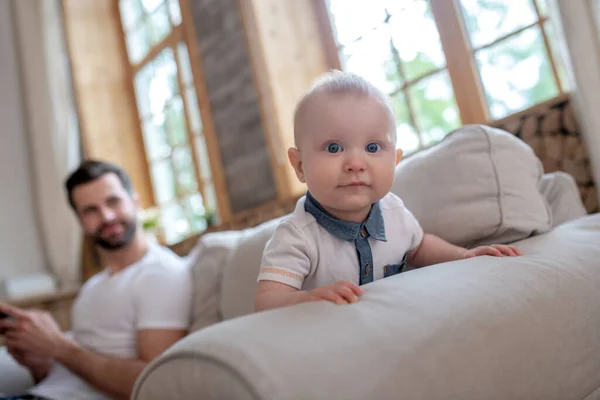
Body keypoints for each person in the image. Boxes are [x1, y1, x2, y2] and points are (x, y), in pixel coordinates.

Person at [254, 71, 522, 312]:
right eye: (334, 148)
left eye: (372, 148)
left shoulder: (394, 212)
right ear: (300, 166)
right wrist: (308, 299)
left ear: (394, 161)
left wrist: (463, 256)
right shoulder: (297, 236)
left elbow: (419, 246)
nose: (356, 164)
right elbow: (267, 301)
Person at [0, 160, 192, 400]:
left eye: (113, 201)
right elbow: (69, 378)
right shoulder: (92, 287)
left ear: (135, 201)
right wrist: (38, 362)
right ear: (81, 222)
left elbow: (155, 383)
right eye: (90, 210)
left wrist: (59, 347)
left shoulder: (161, 273)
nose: (107, 216)